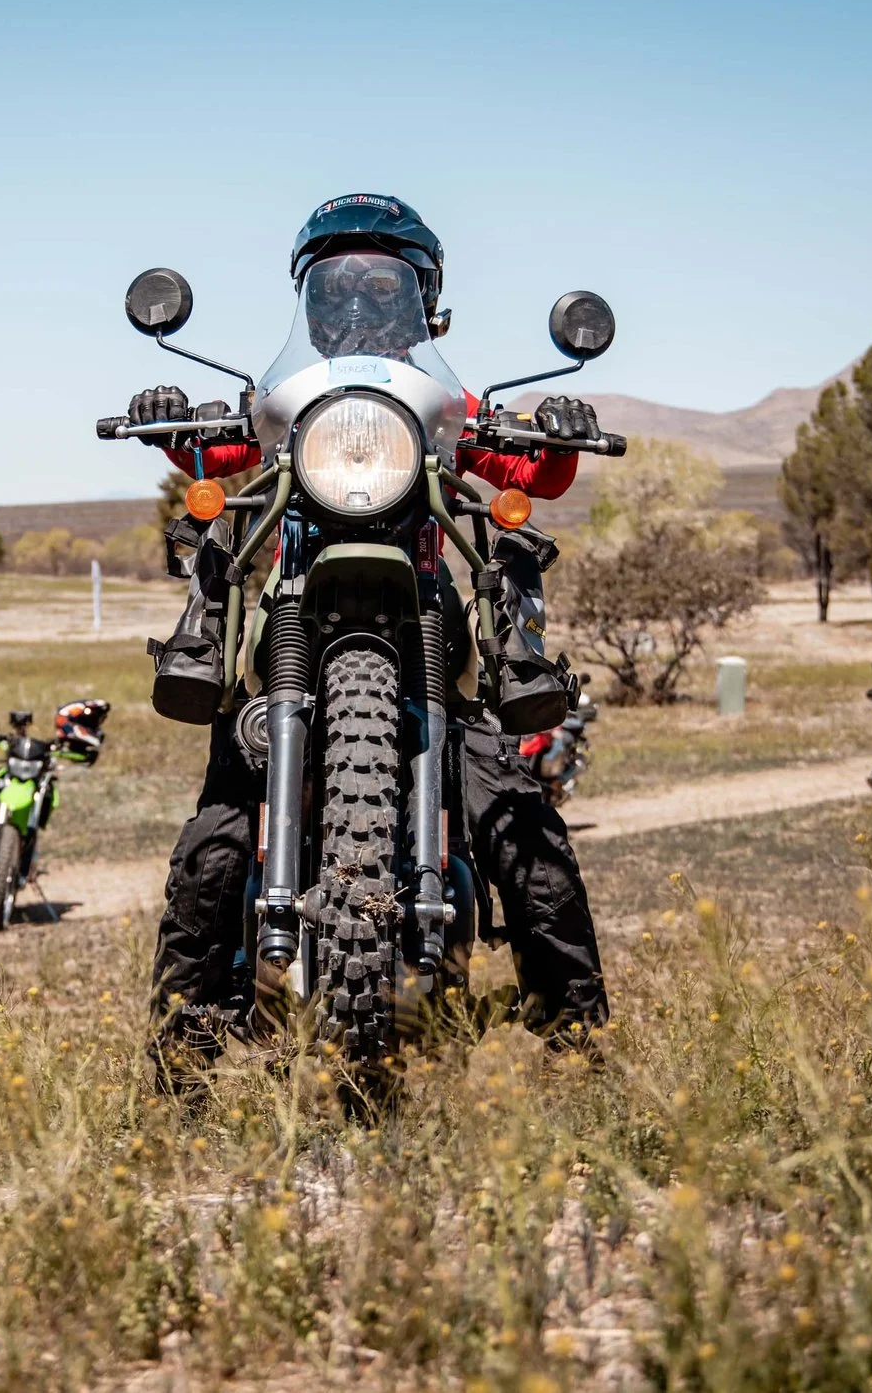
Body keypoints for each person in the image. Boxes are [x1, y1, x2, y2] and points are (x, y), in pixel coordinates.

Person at [127, 195, 609, 1078]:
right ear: (309, 302)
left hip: (427, 622)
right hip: (290, 623)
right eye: (338, 287)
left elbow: (529, 470)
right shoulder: (282, 399)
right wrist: (174, 417)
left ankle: (580, 1050)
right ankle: (181, 1063)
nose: (360, 303)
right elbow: (216, 452)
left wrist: (557, 435)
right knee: (216, 840)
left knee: (520, 824)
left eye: (385, 290)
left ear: (424, 303)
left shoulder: (446, 404)